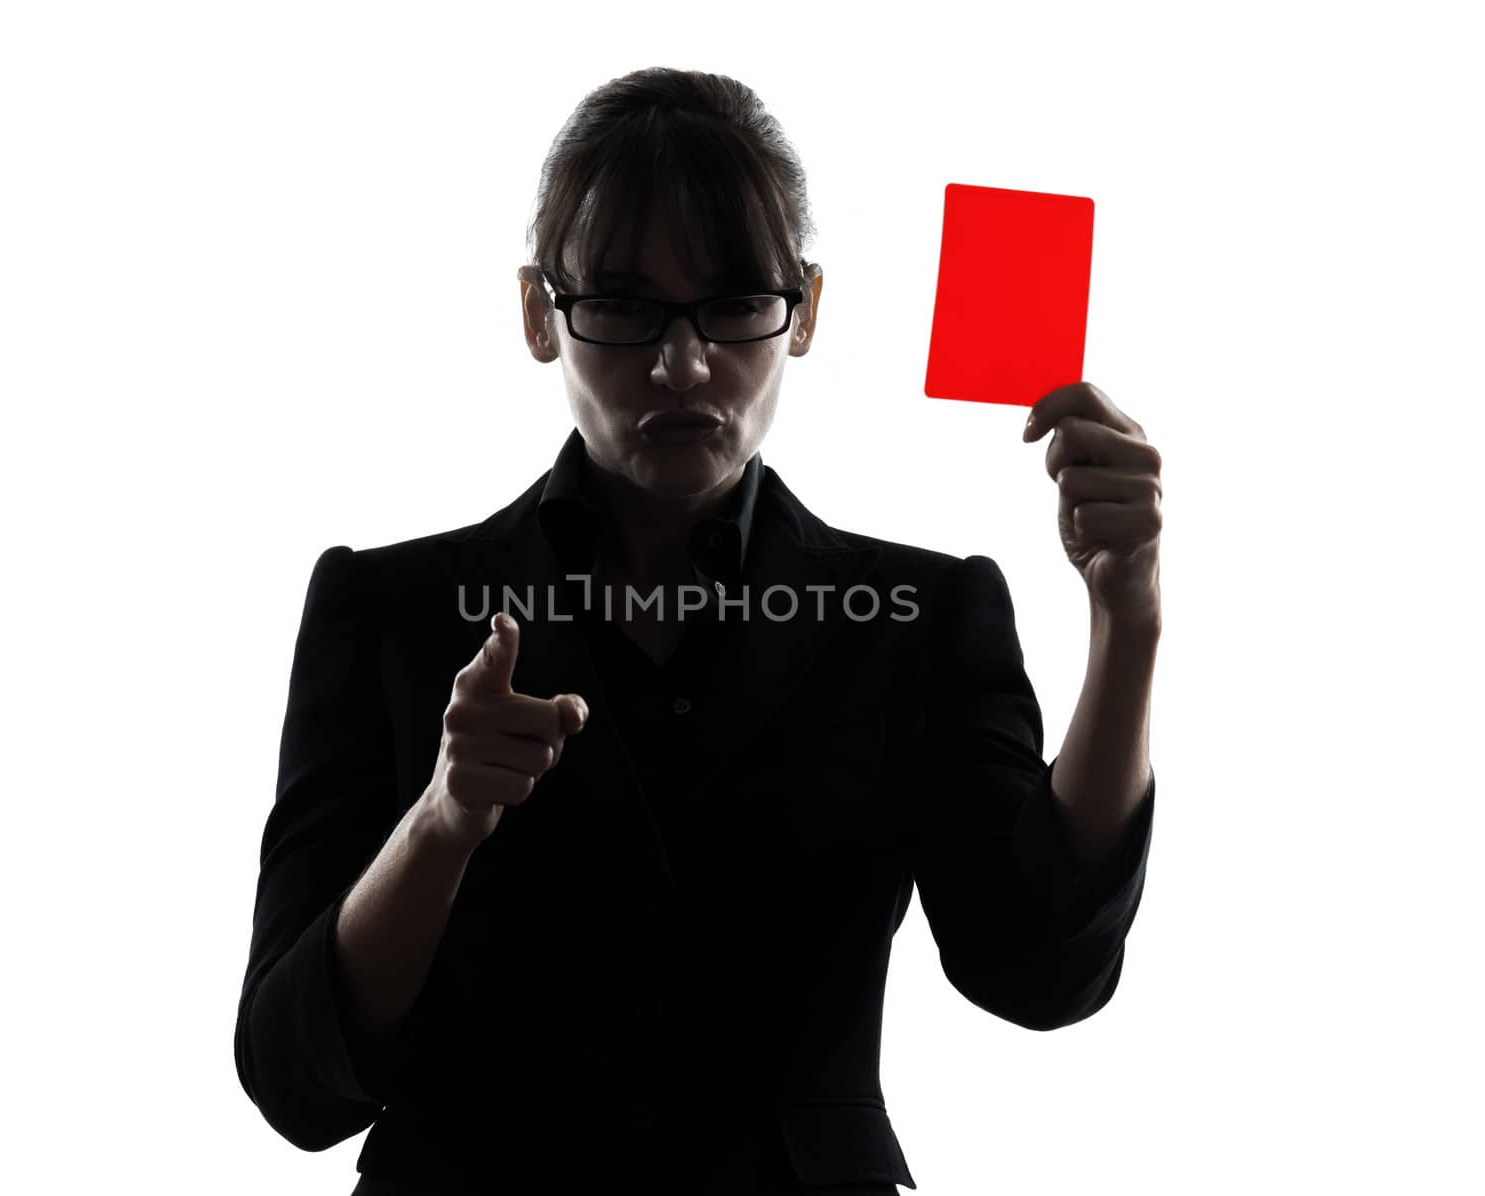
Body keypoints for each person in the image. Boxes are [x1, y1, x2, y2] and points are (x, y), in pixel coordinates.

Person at [233, 66, 1162, 1196]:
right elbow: (293, 1079)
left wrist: (1128, 617)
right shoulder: (385, 610)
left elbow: (1038, 966)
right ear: (540, 312)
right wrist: (443, 818)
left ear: (805, 309)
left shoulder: (921, 616)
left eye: (733, 303)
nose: (683, 363)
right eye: (621, 305)